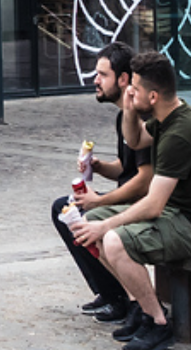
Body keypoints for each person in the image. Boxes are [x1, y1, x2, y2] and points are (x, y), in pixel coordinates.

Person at [70, 51, 191, 350]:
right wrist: (129, 108)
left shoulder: (181, 132)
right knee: (87, 222)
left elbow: (153, 204)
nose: (130, 92)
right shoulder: (168, 116)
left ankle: (157, 321)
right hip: (173, 215)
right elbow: (135, 141)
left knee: (112, 239)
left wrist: (107, 226)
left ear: (153, 96)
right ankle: (141, 307)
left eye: (135, 90)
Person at [52, 42, 154, 322]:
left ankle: (120, 298)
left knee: (83, 215)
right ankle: (109, 293)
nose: (95, 81)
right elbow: (126, 166)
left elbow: (145, 180)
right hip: (128, 198)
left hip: (142, 204)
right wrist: (98, 166)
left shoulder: (141, 116)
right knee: (65, 209)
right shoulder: (124, 115)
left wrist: (100, 199)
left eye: (102, 75)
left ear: (123, 80)